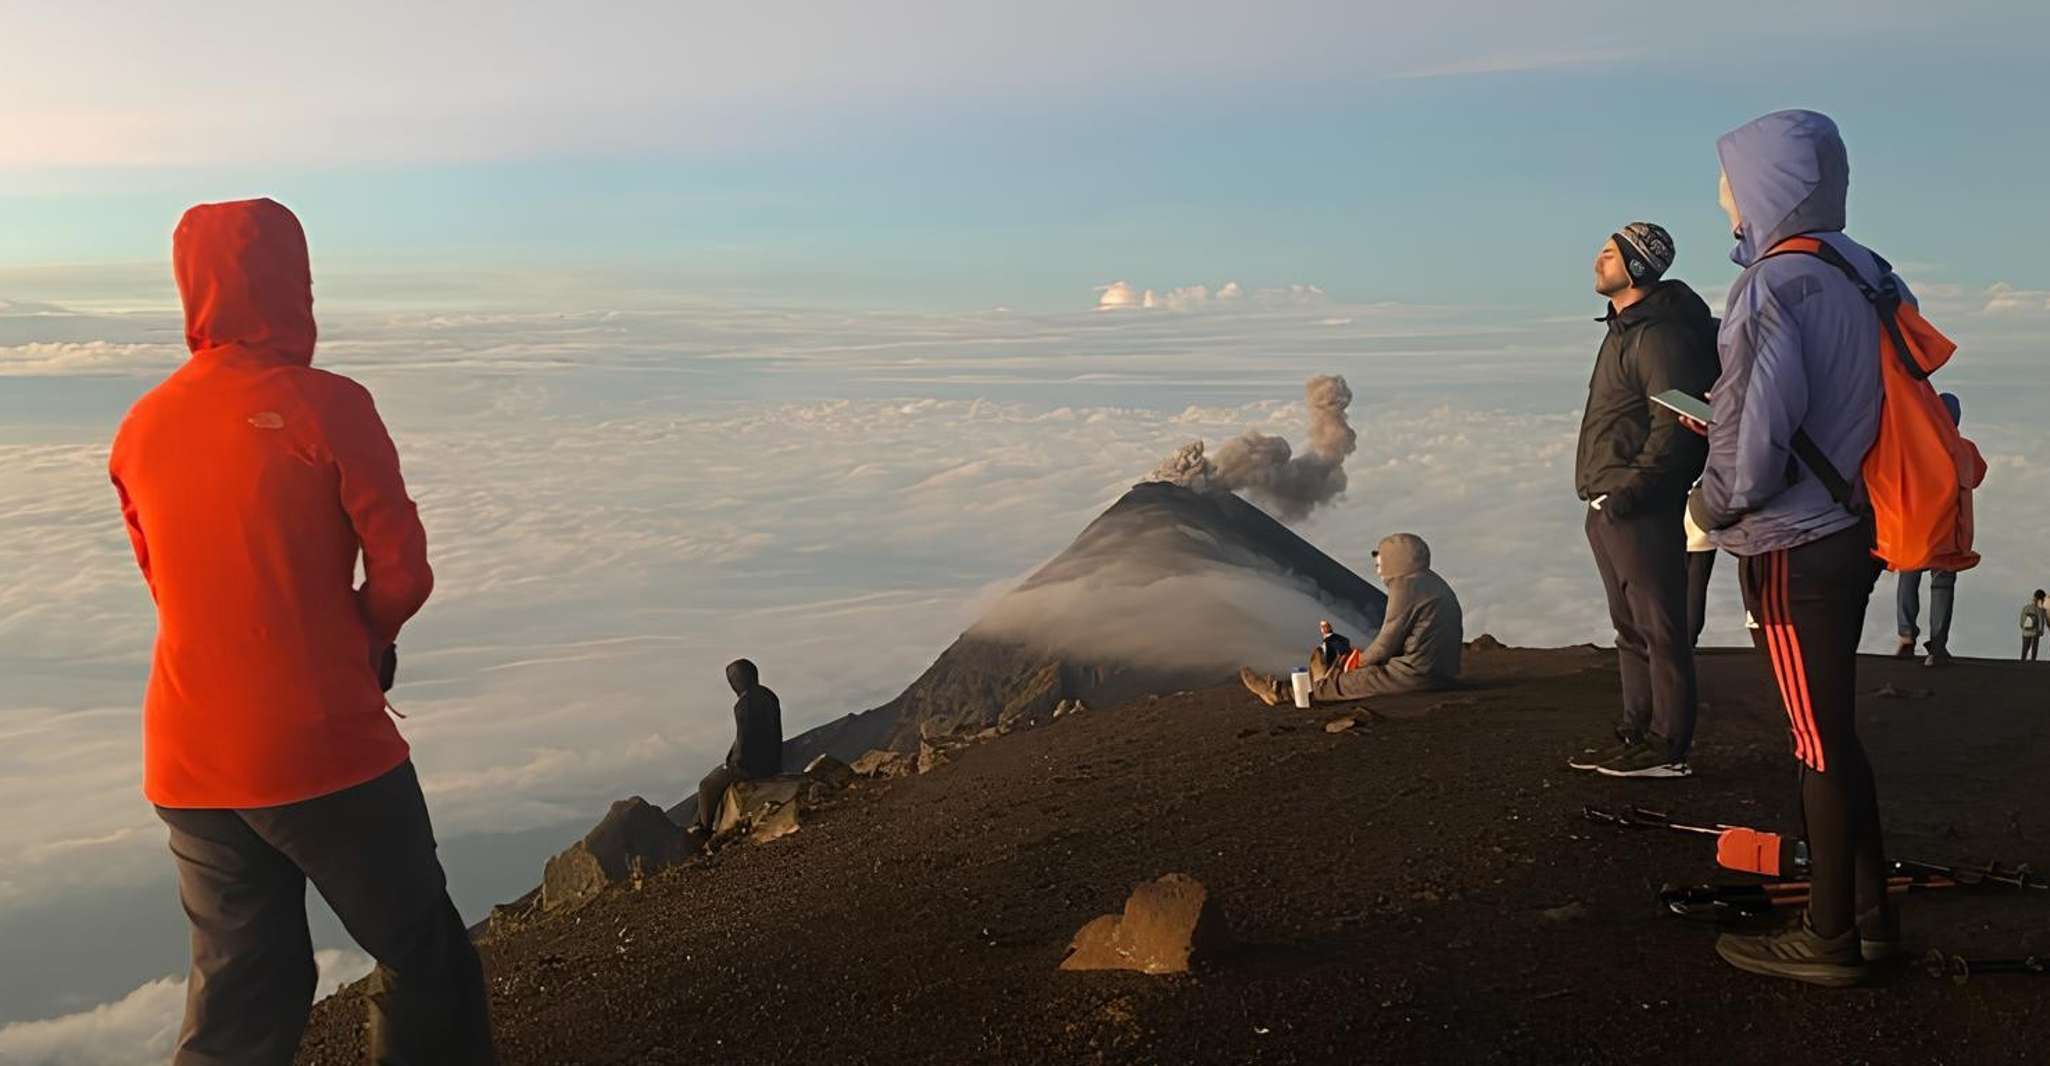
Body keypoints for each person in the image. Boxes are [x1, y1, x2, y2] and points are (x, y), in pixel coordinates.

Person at [108, 199, 495, 1063]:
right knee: (423, 956)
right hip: (320, 745)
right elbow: (403, 572)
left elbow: (166, 586)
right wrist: (363, 638)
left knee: (243, 991)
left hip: (186, 755)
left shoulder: (140, 428)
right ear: (296, 286)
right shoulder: (330, 405)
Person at [1686, 110, 1902, 986]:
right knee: (1835, 731)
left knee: (1815, 741)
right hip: (1858, 525)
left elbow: (1753, 437)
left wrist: (1709, 500)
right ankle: (1871, 916)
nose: (1722, 197)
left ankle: (1827, 937)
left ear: (1763, 186)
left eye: (1728, 180)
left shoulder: (1774, 286)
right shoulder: (1867, 271)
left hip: (1792, 544)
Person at [1568, 221, 1721, 778]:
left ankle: (1667, 747)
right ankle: (1635, 732)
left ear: (1638, 266)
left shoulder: (1658, 335)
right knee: (1630, 628)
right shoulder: (1624, 330)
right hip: (1608, 500)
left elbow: (1677, 427)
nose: (1596, 261)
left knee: (1661, 628)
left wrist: (1633, 493)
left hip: (1638, 504)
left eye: (1609, 254)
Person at [1240, 534, 1462, 704]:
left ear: (1398, 560)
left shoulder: (1406, 587)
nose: (1378, 566)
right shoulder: (1433, 583)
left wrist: (1356, 665)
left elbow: (1386, 644)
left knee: (1343, 683)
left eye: (1382, 560)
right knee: (1357, 667)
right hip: (1443, 672)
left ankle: (1280, 693)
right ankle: (1322, 675)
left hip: (1418, 676)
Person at [1895, 394, 1966, 667]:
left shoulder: (1915, 448)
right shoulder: (1962, 450)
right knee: (1942, 587)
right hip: (1948, 535)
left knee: (1908, 579)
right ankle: (1937, 646)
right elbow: (1978, 473)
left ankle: (1906, 636)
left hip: (1916, 531)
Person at [692, 658, 785, 836]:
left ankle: (704, 829)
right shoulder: (769, 695)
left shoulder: (744, 704)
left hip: (751, 767)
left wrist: (734, 764)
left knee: (706, 785)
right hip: (773, 762)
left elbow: (745, 738)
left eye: (732, 679)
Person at [1684, 506, 1718, 648]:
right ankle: (1688, 645)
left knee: (1668, 591)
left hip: (1670, 523)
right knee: (1696, 589)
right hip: (1703, 523)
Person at [2023, 590, 2048, 662]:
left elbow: (2022, 620)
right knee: (2034, 648)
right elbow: (2041, 621)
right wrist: (2041, 631)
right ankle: (2032, 661)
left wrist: (2024, 628)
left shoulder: (2026, 608)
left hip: (2025, 632)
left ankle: (2022, 661)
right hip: (2035, 632)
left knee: (2025, 648)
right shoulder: (2039, 610)